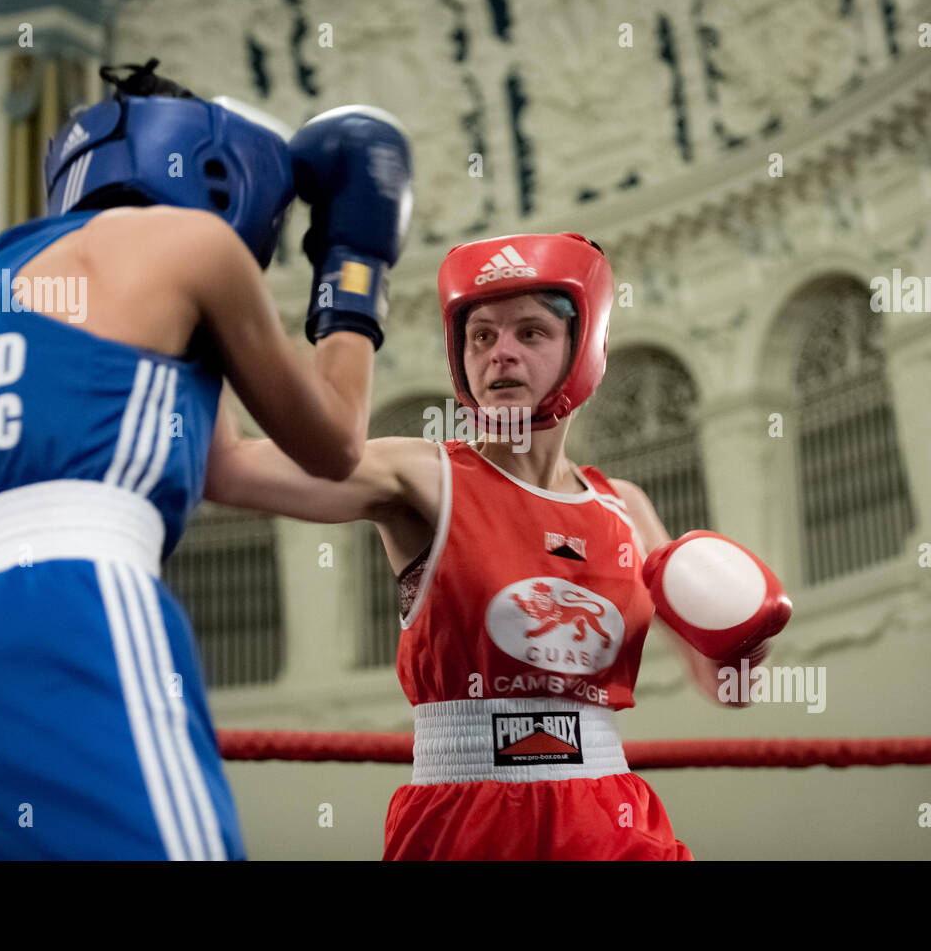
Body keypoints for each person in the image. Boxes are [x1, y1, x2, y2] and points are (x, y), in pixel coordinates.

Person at [0, 59, 412, 859]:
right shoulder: (191, 243)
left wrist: (409, 481)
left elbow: (221, 467)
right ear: (220, 166)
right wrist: (355, 263)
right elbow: (334, 441)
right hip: (68, 616)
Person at [205, 232, 791, 860]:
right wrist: (204, 285)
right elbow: (229, 470)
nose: (500, 354)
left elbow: (726, 690)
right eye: (481, 335)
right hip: (464, 814)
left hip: (610, 818)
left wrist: (743, 637)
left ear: (583, 348)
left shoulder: (624, 507)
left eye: (530, 333)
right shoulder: (422, 478)